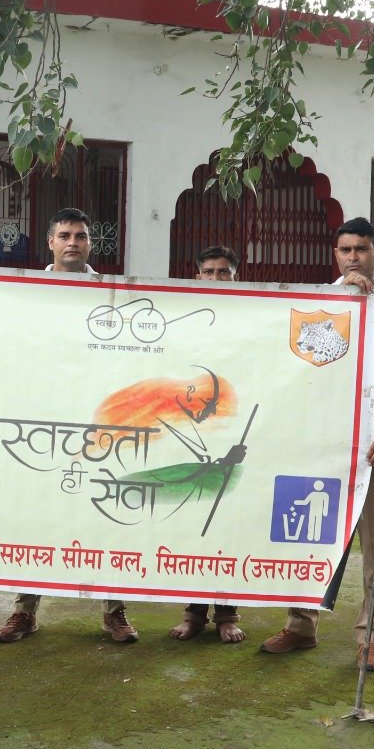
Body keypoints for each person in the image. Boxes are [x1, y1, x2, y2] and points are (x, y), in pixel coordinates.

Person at [261, 217, 374, 671]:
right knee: (312, 534)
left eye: (362, 249)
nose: (353, 257)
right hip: (324, 438)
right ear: (336, 254)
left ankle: (371, 637)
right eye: (345, 250)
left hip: (373, 441)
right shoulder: (318, 301)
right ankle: (301, 624)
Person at [0, 207, 138, 645]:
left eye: (81, 235)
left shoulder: (112, 293)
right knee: (38, 515)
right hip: (42, 423)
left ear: (91, 243)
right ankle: (25, 611)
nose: (73, 242)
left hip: (97, 423)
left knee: (103, 514)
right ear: (50, 243)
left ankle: (113, 612)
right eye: (64, 235)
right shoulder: (28, 292)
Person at [168, 246, 247, 644]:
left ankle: (227, 614)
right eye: (209, 271)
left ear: (236, 276)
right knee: (193, 521)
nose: (216, 278)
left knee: (225, 522)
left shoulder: (252, 318)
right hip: (192, 430)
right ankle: (193, 612)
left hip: (233, 427)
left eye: (224, 272)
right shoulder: (185, 318)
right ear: (197, 275)